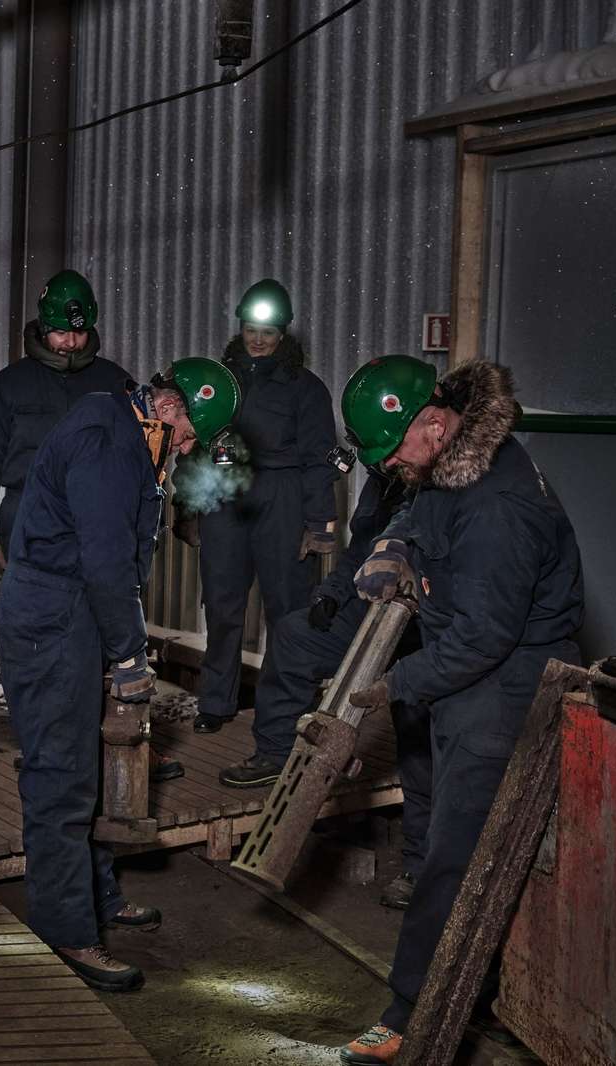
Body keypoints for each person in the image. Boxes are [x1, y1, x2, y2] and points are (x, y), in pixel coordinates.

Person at [332, 358, 582, 1066]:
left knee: (455, 858)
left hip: (503, 685)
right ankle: (486, 993)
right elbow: (422, 507)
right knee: (447, 835)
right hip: (466, 674)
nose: (394, 468)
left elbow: (483, 637)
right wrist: (394, 545)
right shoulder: (454, 462)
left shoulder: (498, 507)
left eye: (394, 453)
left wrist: (392, 685)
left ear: (434, 424)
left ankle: (413, 1010)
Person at [0, 357, 238, 994]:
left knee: (95, 771)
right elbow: (106, 561)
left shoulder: (125, 432)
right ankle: (66, 931)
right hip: (55, 618)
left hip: (76, 613)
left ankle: (97, 899)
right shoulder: (107, 442)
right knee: (60, 778)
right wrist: (131, 653)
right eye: (188, 435)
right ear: (166, 409)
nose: (186, 449)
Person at [215, 385, 433, 909]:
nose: (387, 463)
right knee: (293, 635)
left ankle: (421, 864)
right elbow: (362, 547)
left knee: (419, 731)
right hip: (370, 603)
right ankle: (274, 755)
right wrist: (332, 594)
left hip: (426, 622)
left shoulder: (445, 481)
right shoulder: (382, 480)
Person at [191, 279, 340, 736]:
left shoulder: (305, 388)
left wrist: (318, 523)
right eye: (252, 328)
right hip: (228, 496)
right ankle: (216, 702)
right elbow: (195, 444)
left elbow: (319, 458)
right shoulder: (217, 381)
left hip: (283, 497)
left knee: (287, 607)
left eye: (269, 332)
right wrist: (191, 505)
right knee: (221, 604)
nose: (258, 339)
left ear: (284, 335)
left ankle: (283, 707)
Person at [0, 269, 130, 601]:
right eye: (60, 333)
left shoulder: (115, 384)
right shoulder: (10, 384)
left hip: (94, 518)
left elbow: (138, 461)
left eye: (79, 332)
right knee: (33, 619)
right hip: (26, 515)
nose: (70, 342)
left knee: (90, 618)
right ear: (42, 327)